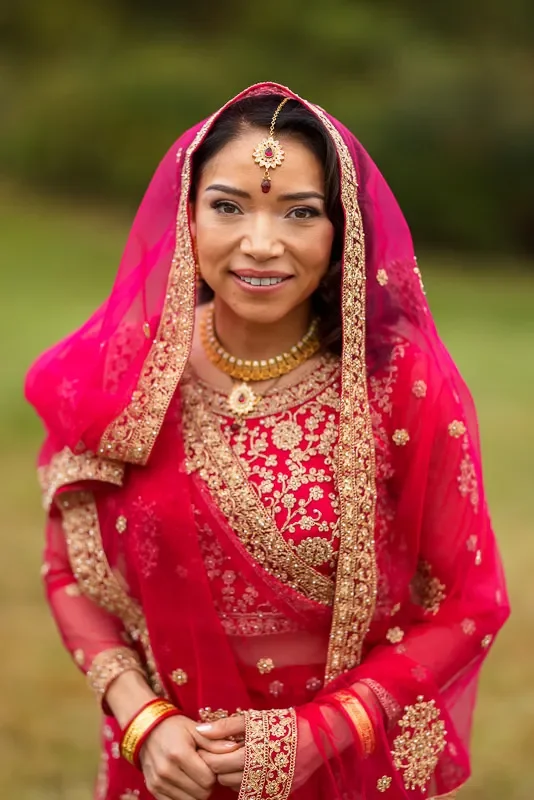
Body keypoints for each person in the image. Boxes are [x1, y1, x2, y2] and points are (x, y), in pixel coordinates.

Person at [25, 82, 509, 800]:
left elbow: (468, 603)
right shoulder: (125, 370)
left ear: (342, 230)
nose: (260, 243)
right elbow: (69, 572)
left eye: (300, 213)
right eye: (228, 206)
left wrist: (318, 734)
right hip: (166, 772)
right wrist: (142, 720)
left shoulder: (397, 384)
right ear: (186, 216)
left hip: (338, 768)